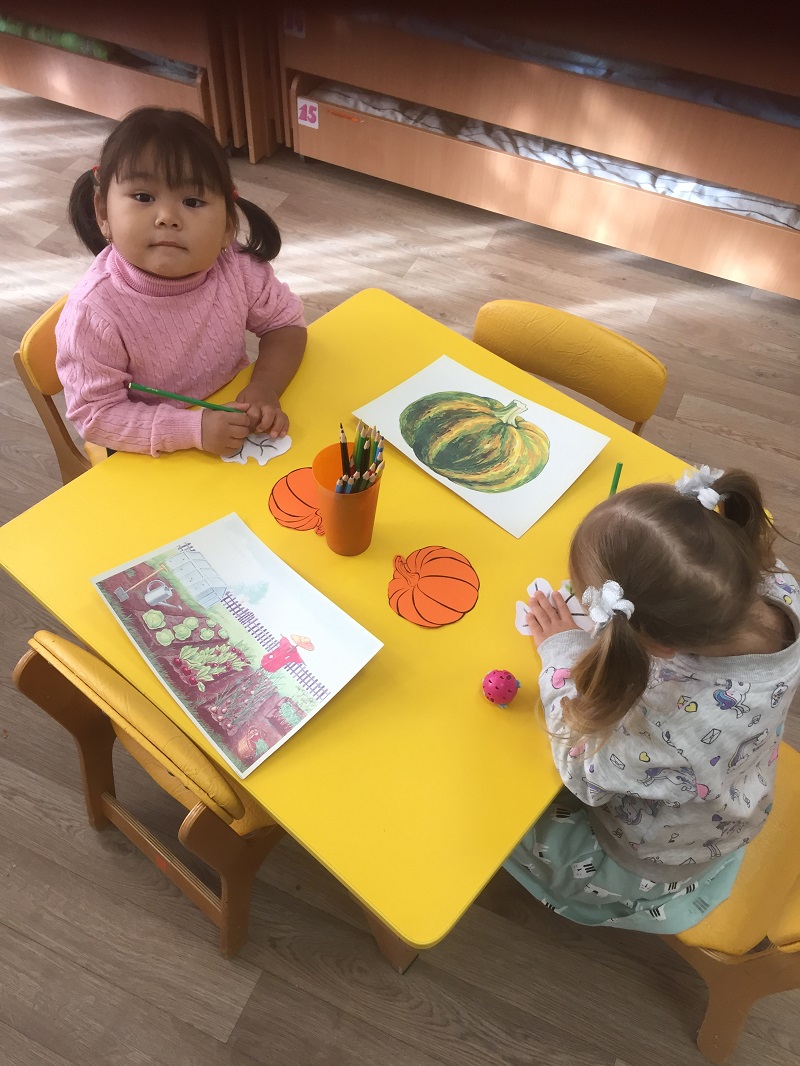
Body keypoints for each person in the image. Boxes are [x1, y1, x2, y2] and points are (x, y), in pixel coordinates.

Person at [505, 466, 800, 934]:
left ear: (659, 647)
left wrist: (563, 652)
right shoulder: (779, 588)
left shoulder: (664, 719)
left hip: (651, 861)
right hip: (732, 796)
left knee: (501, 823)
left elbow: (585, 772)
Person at [56, 107, 307, 457]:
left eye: (193, 201)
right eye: (143, 197)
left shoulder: (236, 267)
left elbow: (285, 325)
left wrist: (265, 386)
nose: (168, 217)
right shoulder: (92, 314)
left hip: (228, 421)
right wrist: (192, 429)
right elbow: (96, 416)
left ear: (227, 227)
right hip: (146, 449)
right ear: (103, 212)